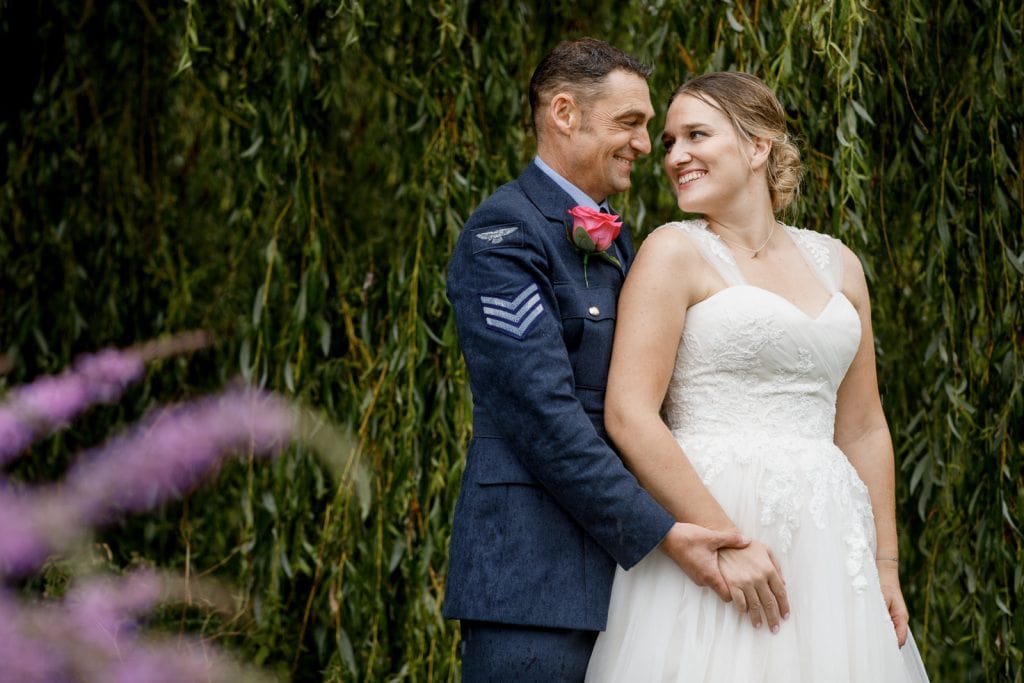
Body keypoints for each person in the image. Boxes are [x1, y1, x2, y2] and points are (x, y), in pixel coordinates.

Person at [443, 41, 784, 681]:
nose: (647, 143)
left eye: (647, 125)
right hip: (533, 580)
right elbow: (544, 417)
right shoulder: (503, 238)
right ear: (565, 113)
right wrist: (662, 531)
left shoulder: (620, 237)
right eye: (630, 122)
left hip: (628, 582)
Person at [585, 71, 930, 681]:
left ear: (757, 146)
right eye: (668, 142)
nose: (674, 156)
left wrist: (884, 563)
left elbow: (863, 429)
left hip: (829, 545)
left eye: (696, 134)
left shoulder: (840, 265)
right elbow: (629, 413)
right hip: (714, 524)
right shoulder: (673, 252)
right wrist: (725, 540)